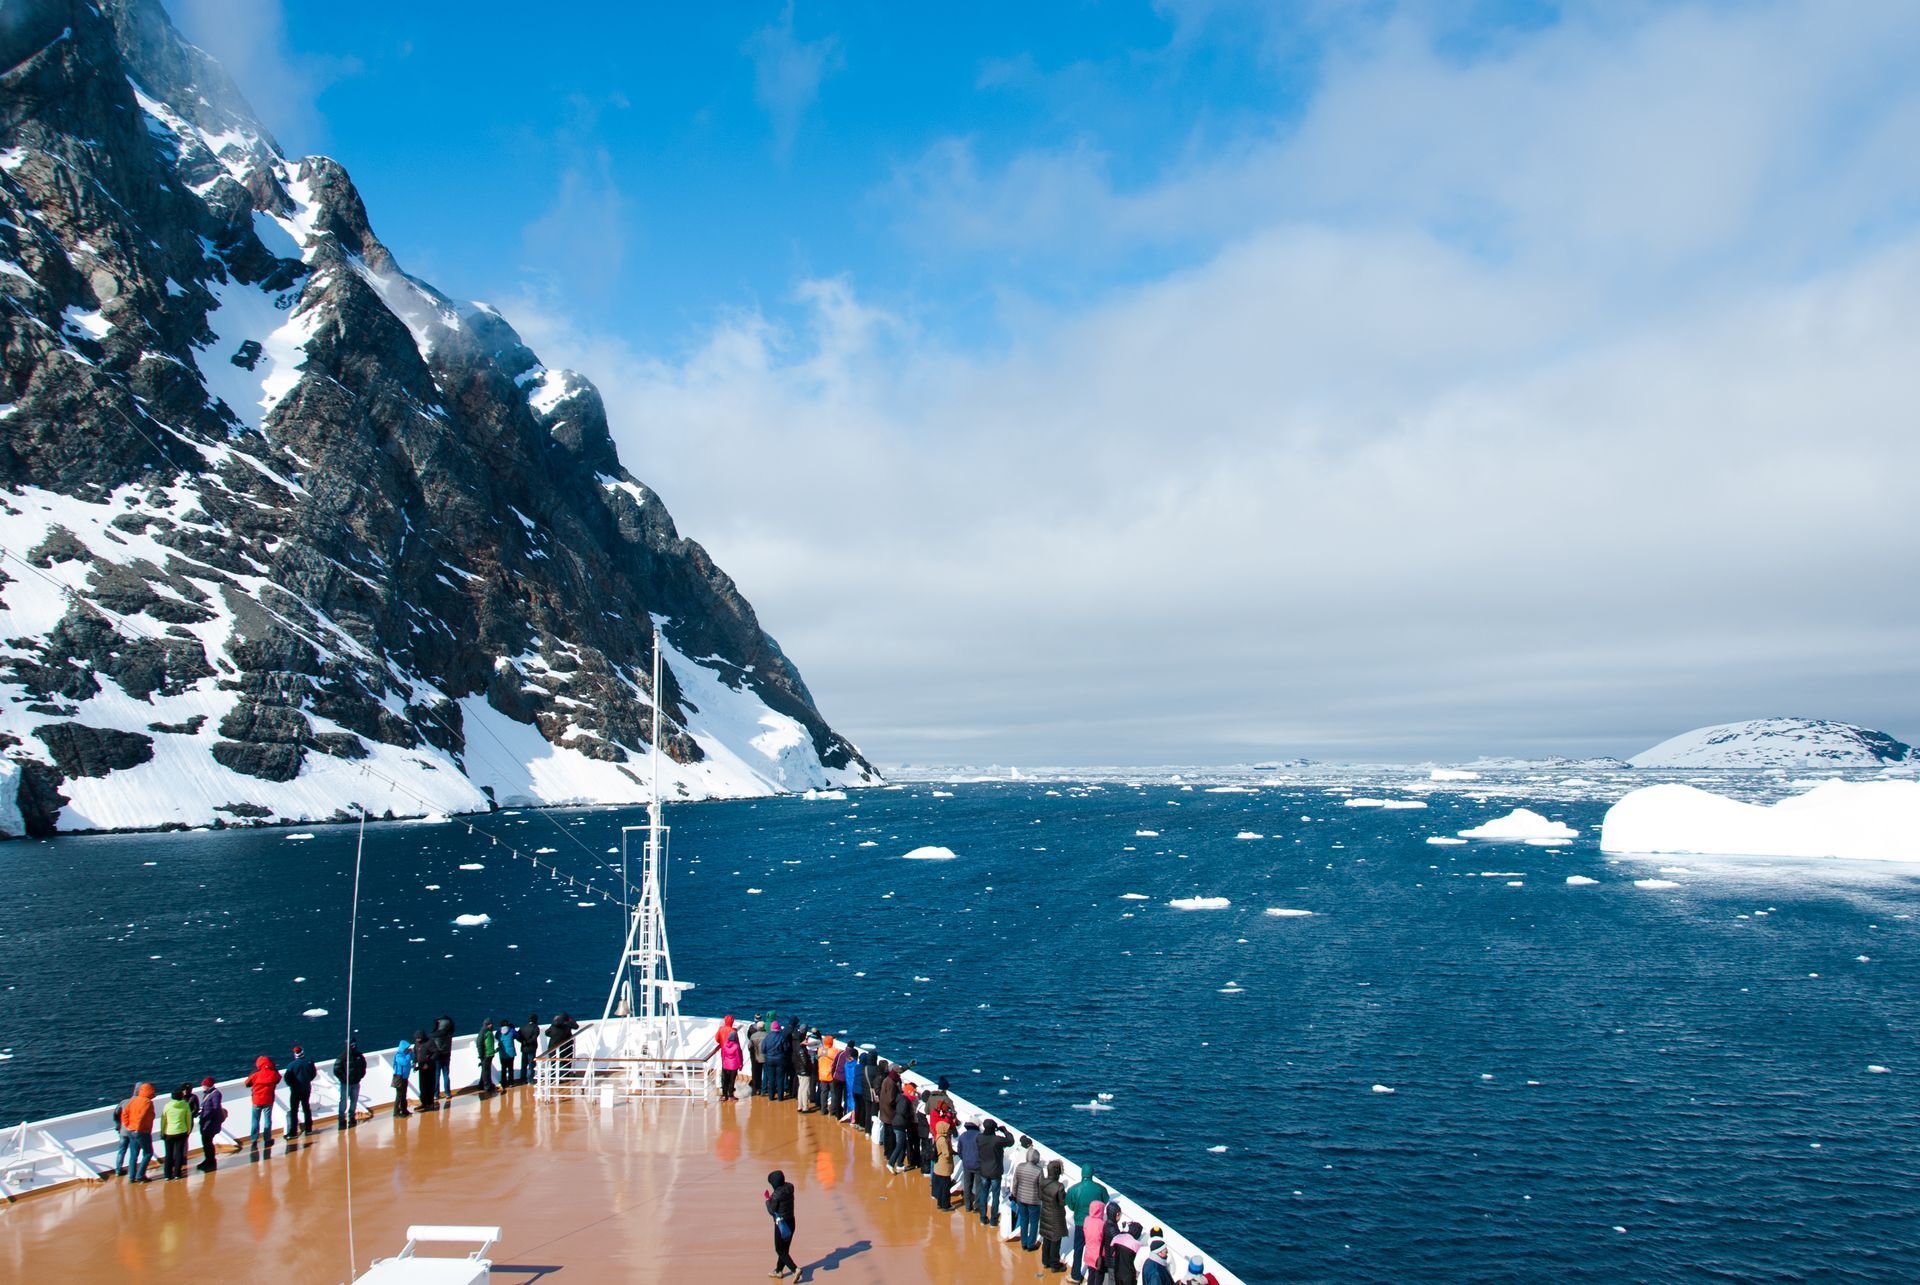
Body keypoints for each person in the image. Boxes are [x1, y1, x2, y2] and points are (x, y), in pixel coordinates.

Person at [1066, 1167, 1110, 1280]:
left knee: (1078, 1249)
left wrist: (1076, 1209)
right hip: (1095, 1225)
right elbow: (1105, 1200)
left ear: (1082, 1173)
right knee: (1095, 1249)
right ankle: (1094, 1277)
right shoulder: (1100, 1189)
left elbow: (1069, 1204)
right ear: (1092, 1174)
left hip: (1080, 1223)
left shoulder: (1074, 1189)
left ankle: (1075, 1275)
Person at [1010, 1144, 1046, 1251]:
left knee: (1024, 1220)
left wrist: (1015, 1195)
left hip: (1021, 1198)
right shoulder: (1039, 1170)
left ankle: (1024, 1243)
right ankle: (1031, 1245)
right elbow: (1041, 1186)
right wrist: (1041, 1198)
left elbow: (1015, 1182)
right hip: (1034, 1201)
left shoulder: (1020, 1167)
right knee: (1034, 1222)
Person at [764, 1168, 798, 1279]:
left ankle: (795, 1269)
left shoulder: (776, 1195)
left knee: (779, 1249)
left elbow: (771, 1211)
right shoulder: (790, 1187)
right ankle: (778, 1271)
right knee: (785, 1249)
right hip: (791, 1222)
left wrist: (768, 1200)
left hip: (781, 1225)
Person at [976, 1119, 1010, 1227]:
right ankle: (993, 1220)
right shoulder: (997, 1140)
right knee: (995, 1196)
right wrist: (1005, 1131)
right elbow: (1011, 1141)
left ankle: (982, 1217)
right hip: (995, 1172)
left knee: (983, 1194)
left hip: (983, 1171)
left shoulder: (979, 1138)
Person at [121, 1083, 156, 1182]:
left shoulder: (134, 1100)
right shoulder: (147, 1102)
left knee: (134, 1154)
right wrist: (138, 1128)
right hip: (142, 1131)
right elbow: (142, 1116)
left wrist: (128, 1125)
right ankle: (140, 1175)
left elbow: (125, 1113)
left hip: (131, 1130)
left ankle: (132, 1176)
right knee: (148, 1153)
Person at [245, 1055, 281, 1154]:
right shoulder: (274, 1073)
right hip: (268, 1100)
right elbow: (278, 1079)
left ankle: (254, 1140)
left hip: (257, 1100)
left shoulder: (255, 1074)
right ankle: (267, 1139)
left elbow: (247, 1083)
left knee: (255, 1120)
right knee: (267, 1120)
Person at [1039, 1158, 1070, 1271]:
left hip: (1045, 1214)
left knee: (1046, 1238)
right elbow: (1063, 1202)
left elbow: (1040, 1196)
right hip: (1056, 1216)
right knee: (1055, 1241)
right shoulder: (1059, 1186)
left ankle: (1045, 1261)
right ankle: (1055, 1265)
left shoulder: (1042, 1182)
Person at [159, 1084, 194, 1180]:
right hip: (181, 1132)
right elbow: (188, 1119)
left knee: (169, 1153)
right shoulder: (185, 1105)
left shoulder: (167, 1106)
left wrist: (162, 1132)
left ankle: (167, 1175)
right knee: (179, 1153)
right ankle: (177, 1174)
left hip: (169, 1132)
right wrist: (188, 1130)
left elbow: (163, 1120)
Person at [283, 1044, 316, 1139]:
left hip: (295, 1090)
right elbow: (313, 1074)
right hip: (306, 1089)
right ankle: (309, 1129)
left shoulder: (291, 1065)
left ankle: (293, 1132)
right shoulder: (309, 1062)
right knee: (306, 1108)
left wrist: (292, 1085)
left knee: (294, 1110)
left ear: (295, 1054)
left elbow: (287, 1078)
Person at [194, 1076, 226, 1171]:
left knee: (207, 1141)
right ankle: (208, 1159)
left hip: (210, 1123)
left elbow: (215, 1108)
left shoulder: (215, 1094)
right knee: (206, 1142)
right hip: (206, 1121)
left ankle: (210, 1160)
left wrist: (208, 1116)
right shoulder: (209, 1093)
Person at [334, 1039, 368, 1128]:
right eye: (352, 1045)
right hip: (346, 1084)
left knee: (354, 1101)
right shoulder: (342, 1057)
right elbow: (336, 1069)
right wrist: (344, 1079)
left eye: (354, 1045)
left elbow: (364, 1066)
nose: (353, 1046)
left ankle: (352, 1117)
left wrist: (361, 1076)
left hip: (356, 1083)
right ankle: (341, 1119)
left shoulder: (359, 1056)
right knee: (343, 1101)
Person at [108, 1081, 139, 1177]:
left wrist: (118, 1125)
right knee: (133, 1152)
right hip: (133, 1130)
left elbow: (116, 1114)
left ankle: (118, 1170)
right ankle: (133, 1171)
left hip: (123, 1130)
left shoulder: (124, 1102)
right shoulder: (139, 1103)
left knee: (121, 1150)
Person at [1082, 1199, 1110, 1285]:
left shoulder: (1086, 1220)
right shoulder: (1102, 1224)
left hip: (1089, 1254)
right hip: (1099, 1258)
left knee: (1091, 1275)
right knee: (1098, 1278)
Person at [957, 1119, 982, 1213]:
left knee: (967, 1185)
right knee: (979, 1186)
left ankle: (968, 1206)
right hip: (978, 1165)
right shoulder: (980, 1136)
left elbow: (959, 1151)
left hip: (967, 1164)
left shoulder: (962, 1136)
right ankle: (977, 1207)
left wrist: (964, 1159)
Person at [931, 1113, 955, 1210]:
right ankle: (946, 1205)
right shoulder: (943, 1140)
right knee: (945, 1187)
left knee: (941, 1187)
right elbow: (946, 1154)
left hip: (939, 1167)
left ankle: (940, 1203)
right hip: (944, 1167)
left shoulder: (938, 1137)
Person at [761, 1020, 788, 1100]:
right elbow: (786, 1048)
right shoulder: (781, 1036)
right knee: (780, 1078)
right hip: (780, 1059)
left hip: (769, 1059)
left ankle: (771, 1096)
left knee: (771, 1078)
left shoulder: (767, 1037)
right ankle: (780, 1097)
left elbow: (763, 1049)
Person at [431, 1014, 456, 1096]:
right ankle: (447, 1093)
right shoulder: (449, 1033)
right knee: (446, 1074)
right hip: (446, 1055)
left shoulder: (435, 1034)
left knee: (436, 1074)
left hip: (437, 1057)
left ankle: (436, 1094)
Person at [413, 1030, 438, 1111]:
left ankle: (430, 1103)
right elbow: (416, 1054)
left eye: (419, 1038)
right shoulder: (416, 1044)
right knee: (422, 1086)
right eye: (416, 1038)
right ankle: (424, 1103)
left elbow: (436, 1053)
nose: (417, 1040)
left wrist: (429, 1062)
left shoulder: (430, 1042)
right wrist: (414, 1062)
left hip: (430, 1067)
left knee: (430, 1086)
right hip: (421, 1067)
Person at [719, 1028, 744, 1101]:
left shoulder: (724, 1045)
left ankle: (724, 1095)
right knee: (731, 1081)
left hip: (725, 1065)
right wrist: (740, 1065)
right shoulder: (736, 1046)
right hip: (733, 1066)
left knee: (725, 1080)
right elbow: (739, 1057)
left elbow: (723, 1055)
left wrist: (723, 1062)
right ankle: (730, 1095)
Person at [477, 1019, 498, 1095]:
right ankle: (487, 1087)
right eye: (489, 1024)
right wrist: (481, 1055)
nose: (491, 1025)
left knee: (485, 1069)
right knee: (486, 1071)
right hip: (486, 1055)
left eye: (491, 1024)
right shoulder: (484, 1032)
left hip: (489, 1054)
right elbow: (479, 1044)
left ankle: (481, 1084)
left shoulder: (489, 1031)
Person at [517, 1014, 539, 1085]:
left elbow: (518, 1037)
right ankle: (530, 1080)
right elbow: (534, 1038)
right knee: (531, 1065)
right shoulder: (535, 1028)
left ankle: (522, 1080)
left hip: (524, 1048)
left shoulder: (523, 1027)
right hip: (531, 1049)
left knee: (523, 1065)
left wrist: (523, 1042)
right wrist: (528, 1042)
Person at [497, 1017, 518, 1088]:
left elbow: (496, 1036)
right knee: (510, 1068)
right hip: (511, 1053)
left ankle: (503, 1083)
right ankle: (511, 1083)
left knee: (503, 1068)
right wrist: (513, 1028)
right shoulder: (511, 1031)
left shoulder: (499, 1032)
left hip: (502, 1053)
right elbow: (517, 1035)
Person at [749, 1020, 767, 1095]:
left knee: (757, 1073)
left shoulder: (753, 1036)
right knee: (766, 1073)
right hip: (765, 1057)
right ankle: (764, 1088)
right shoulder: (767, 1035)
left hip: (756, 1057)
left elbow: (750, 1047)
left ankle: (757, 1088)